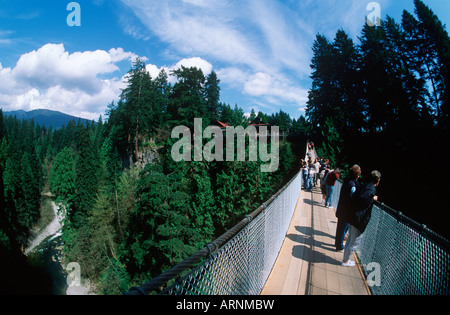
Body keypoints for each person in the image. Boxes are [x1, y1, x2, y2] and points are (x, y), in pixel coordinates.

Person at [342, 170, 381, 267]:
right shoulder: (371, 189)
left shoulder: (364, 185)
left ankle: (345, 259)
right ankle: (345, 261)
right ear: (377, 181)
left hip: (353, 216)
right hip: (359, 219)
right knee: (354, 242)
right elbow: (363, 199)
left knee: (350, 239)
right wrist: (372, 198)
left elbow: (356, 196)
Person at [334, 165, 362, 252]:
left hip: (341, 208)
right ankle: (339, 247)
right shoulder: (352, 185)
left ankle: (337, 244)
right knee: (343, 229)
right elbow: (352, 199)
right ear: (357, 175)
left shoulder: (347, 180)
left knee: (340, 228)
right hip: (346, 211)